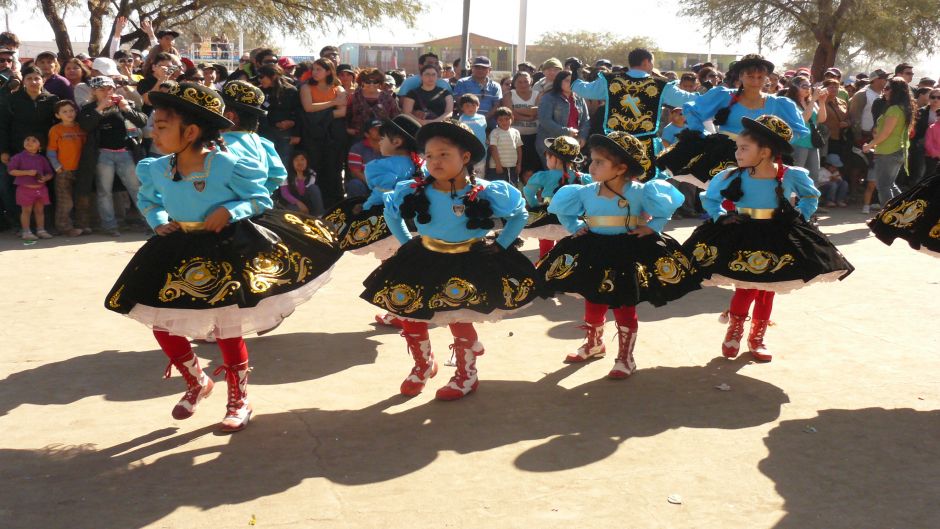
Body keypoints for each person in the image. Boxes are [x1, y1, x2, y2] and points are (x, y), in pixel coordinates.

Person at [103, 82, 342, 433]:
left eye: (162, 125)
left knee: (227, 328)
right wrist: (158, 222)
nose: (153, 131)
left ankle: (239, 399)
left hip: (225, 249)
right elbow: (150, 200)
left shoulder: (226, 164)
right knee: (162, 323)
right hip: (178, 247)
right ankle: (197, 381)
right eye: (154, 124)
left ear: (192, 131)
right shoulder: (155, 168)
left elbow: (260, 199)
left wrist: (231, 211)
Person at [361, 119, 539, 400]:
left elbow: (519, 214)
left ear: (465, 157)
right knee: (409, 313)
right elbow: (391, 214)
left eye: (444, 154)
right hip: (424, 257)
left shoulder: (486, 191)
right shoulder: (414, 189)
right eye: (430, 156)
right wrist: (407, 242)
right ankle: (423, 365)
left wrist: (503, 244)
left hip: (469, 260)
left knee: (458, 317)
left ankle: (467, 374)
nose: (435, 162)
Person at [683, 115, 854, 362]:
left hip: (778, 234)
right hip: (741, 233)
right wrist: (720, 217)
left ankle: (757, 337)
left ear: (764, 152)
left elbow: (810, 197)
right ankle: (735, 331)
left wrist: (800, 216)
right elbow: (710, 198)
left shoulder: (790, 174)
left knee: (767, 290)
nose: (738, 153)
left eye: (744, 148)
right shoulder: (732, 175)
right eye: (737, 148)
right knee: (746, 285)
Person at [537, 131, 698, 377]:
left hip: (628, 250)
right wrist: (575, 228)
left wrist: (651, 227)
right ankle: (593, 344)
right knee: (593, 296)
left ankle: (626, 357)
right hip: (593, 248)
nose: (592, 166)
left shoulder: (641, 191)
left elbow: (664, 211)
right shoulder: (585, 191)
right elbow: (563, 212)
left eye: (600, 162)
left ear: (622, 168)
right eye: (591, 160)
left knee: (624, 302)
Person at [660, 54, 809, 188]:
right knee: (726, 198)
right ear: (741, 76)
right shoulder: (724, 96)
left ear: (766, 78)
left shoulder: (779, 103)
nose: (755, 81)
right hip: (725, 155)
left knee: (759, 198)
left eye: (760, 77)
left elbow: (799, 131)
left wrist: (775, 145)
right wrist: (701, 135)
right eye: (750, 76)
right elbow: (693, 110)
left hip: (762, 158)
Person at [570, 48, 699, 181]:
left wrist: (576, 72)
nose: (652, 66)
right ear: (646, 62)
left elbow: (581, 89)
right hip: (644, 147)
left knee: (613, 181)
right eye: (652, 62)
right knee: (642, 185)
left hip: (614, 145)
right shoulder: (660, 85)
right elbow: (687, 99)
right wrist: (711, 93)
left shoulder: (610, 81)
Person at [324, 114, 421, 260]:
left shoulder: (379, 167)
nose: (379, 142)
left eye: (382, 138)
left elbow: (378, 195)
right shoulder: (420, 165)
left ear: (396, 142)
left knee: (387, 262)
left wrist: (365, 207)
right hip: (414, 221)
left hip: (386, 222)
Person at [77, 76, 147, 236]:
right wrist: (100, 108)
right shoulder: (89, 108)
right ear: (94, 92)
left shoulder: (124, 104)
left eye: (110, 88)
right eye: (102, 89)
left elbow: (142, 121)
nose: (107, 92)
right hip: (103, 154)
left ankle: (150, 220)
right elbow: (86, 125)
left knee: (136, 188)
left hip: (125, 151)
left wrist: (126, 109)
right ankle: (110, 226)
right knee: (104, 191)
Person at [522, 135, 592, 258]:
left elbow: (528, 191)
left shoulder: (543, 176)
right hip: (573, 218)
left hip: (547, 217)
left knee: (545, 247)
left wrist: (535, 207)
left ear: (553, 158)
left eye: (547, 156)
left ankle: (543, 269)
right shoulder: (583, 178)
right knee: (564, 248)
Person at [219, 80, 287, 195]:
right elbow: (278, 175)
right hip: (254, 209)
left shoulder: (220, 147)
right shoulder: (261, 143)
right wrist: (260, 195)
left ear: (229, 116)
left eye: (219, 111)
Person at [861, 77, 914, 214]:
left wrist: (869, 145)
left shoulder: (894, 109)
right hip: (896, 151)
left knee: (883, 186)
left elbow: (885, 133)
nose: (884, 91)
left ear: (896, 91)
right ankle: (905, 211)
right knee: (890, 184)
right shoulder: (903, 108)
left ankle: (889, 216)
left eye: (887, 88)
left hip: (888, 151)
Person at [299, 58, 347, 207]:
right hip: (313, 137)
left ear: (328, 71)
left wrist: (319, 114)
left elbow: (342, 112)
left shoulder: (338, 89)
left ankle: (335, 205)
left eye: (318, 69)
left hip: (333, 137)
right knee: (315, 169)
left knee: (333, 169)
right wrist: (332, 104)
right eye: (313, 69)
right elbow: (308, 108)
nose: (314, 72)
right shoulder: (306, 87)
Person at [47, 100, 88, 237]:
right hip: (64, 171)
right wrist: (57, 167)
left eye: (71, 110)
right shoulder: (56, 130)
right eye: (64, 112)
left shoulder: (81, 127)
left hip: (81, 170)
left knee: (82, 200)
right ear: (58, 115)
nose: (69, 114)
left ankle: (82, 225)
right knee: (66, 202)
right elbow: (51, 151)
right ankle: (65, 228)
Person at [536, 71, 589, 166]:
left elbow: (586, 120)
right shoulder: (548, 98)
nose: (571, 83)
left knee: (570, 175)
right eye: (567, 80)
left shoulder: (579, 98)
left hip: (573, 143)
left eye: (573, 81)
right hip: (551, 144)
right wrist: (566, 131)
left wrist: (583, 136)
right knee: (554, 175)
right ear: (559, 81)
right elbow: (545, 120)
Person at [8, 134, 55, 240]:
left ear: (40, 145)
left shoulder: (42, 159)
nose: (29, 142)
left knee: (40, 210)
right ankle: (26, 232)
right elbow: (11, 171)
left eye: (34, 140)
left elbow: (49, 173)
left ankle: (41, 230)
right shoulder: (18, 157)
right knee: (26, 211)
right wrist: (27, 172)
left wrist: (45, 178)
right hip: (25, 189)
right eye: (27, 140)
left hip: (41, 189)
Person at [256, 64, 301, 169]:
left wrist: (295, 129)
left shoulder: (291, 91)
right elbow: (259, 113)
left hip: (285, 135)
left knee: (283, 165)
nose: (260, 80)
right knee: (266, 165)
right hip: (265, 134)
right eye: (258, 77)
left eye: (262, 77)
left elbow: (298, 113)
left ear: (273, 76)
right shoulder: (259, 92)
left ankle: (284, 186)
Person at [785, 75, 828, 182]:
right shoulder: (790, 103)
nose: (808, 88)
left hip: (812, 144)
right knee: (796, 175)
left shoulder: (810, 102)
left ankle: (809, 198)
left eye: (809, 85)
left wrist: (822, 102)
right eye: (804, 86)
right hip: (798, 143)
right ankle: (792, 198)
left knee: (813, 176)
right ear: (794, 87)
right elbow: (803, 119)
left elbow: (821, 119)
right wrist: (814, 98)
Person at [503, 71, 540, 179]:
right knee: (518, 166)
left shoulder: (537, 94)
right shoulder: (509, 95)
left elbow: (536, 112)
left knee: (532, 167)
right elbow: (509, 114)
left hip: (534, 137)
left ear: (531, 82)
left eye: (526, 81)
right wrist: (529, 116)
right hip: (515, 138)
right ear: (514, 83)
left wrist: (516, 110)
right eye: (520, 82)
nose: (523, 84)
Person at [345, 67, 400, 138]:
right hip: (358, 135)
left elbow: (395, 117)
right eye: (368, 81)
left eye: (375, 81)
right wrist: (348, 129)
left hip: (382, 137)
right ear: (362, 82)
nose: (371, 84)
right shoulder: (354, 97)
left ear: (380, 82)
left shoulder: (388, 98)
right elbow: (347, 116)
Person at [453, 56, 502, 126]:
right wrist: (473, 120)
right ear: (472, 68)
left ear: (490, 69)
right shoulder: (462, 82)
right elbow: (460, 103)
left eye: (484, 68)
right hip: (467, 125)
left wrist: (482, 120)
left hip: (490, 126)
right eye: (477, 67)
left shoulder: (496, 86)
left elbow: (497, 106)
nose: (480, 70)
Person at [346, 119, 385, 198]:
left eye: (381, 128)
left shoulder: (391, 147)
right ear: (366, 134)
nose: (379, 131)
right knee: (354, 184)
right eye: (375, 129)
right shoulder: (357, 148)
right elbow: (355, 173)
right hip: (365, 183)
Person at [278, 151, 324, 217]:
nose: (300, 162)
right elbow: (285, 194)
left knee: (314, 188)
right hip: (293, 204)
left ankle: (320, 216)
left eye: (302, 159)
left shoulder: (311, 173)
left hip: (307, 203)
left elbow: (302, 192)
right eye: (296, 160)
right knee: (292, 211)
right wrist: (298, 203)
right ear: (292, 162)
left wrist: (300, 176)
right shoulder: (285, 175)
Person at [487, 107, 523, 186]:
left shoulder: (516, 132)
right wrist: (498, 165)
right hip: (497, 167)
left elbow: (519, 149)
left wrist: (519, 164)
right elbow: (493, 149)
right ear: (496, 121)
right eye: (500, 120)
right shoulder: (495, 132)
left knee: (512, 187)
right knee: (498, 188)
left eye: (507, 119)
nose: (504, 122)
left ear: (512, 118)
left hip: (512, 166)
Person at [457, 94, 488, 175]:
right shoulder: (461, 119)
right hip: (468, 151)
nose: (471, 108)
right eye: (467, 106)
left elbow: (485, 131)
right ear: (462, 107)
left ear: (478, 106)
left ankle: (479, 187)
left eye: (474, 105)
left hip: (482, 150)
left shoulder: (482, 118)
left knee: (480, 173)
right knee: (467, 174)